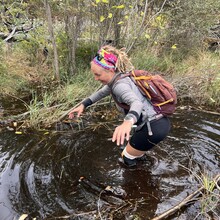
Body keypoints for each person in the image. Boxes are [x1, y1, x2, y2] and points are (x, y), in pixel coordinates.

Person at [68, 45, 171, 167]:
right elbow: (100, 93)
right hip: (159, 124)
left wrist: (127, 122)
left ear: (110, 70)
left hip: (153, 128)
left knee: (126, 158)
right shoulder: (119, 78)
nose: (96, 78)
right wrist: (83, 105)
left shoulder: (119, 86)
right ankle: (145, 167)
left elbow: (136, 103)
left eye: (98, 75)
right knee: (135, 153)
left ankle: (133, 183)